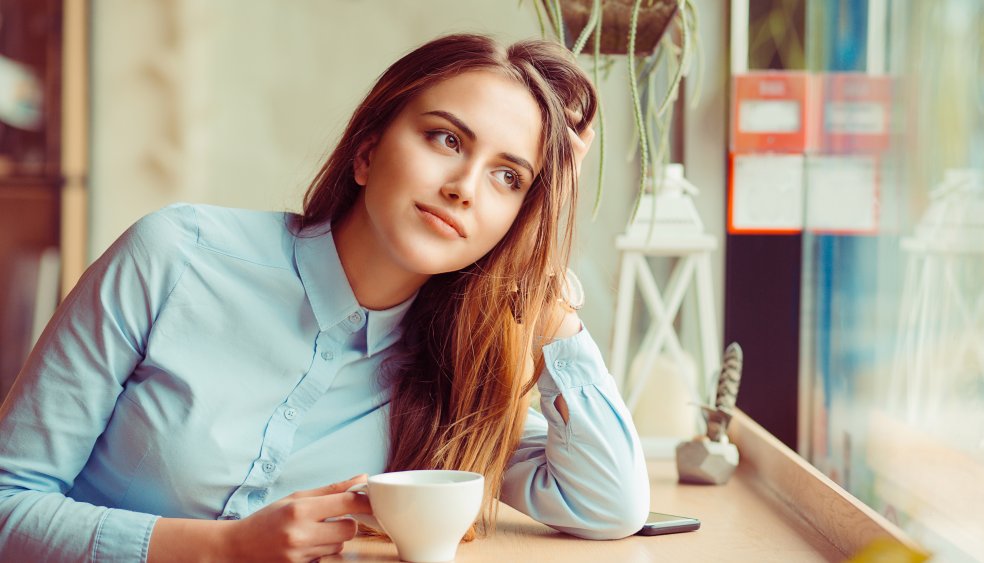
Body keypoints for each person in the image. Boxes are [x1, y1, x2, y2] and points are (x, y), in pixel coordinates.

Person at [0, 33, 649, 562]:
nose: (465, 187)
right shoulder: (175, 254)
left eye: (509, 177)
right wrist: (221, 549)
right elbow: (9, 504)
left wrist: (541, 283)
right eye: (446, 139)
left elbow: (607, 501)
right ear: (367, 152)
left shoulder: (454, 371)